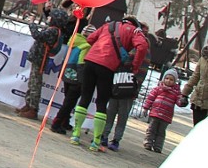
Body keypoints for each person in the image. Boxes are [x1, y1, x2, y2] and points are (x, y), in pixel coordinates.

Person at [70, 15, 149, 152]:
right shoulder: (134, 31)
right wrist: (135, 66)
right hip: (108, 67)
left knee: (85, 98)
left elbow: (90, 39)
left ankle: (76, 135)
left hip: (90, 62)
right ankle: (95, 142)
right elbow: (142, 47)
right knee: (101, 102)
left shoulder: (109, 25)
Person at [101, 22, 151, 151]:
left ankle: (110, 137)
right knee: (117, 114)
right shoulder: (144, 48)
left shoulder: (137, 47)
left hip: (121, 85)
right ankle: (111, 138)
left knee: (114, 113)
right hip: (128, 87)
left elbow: (135, 68)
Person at [16, 8, 68, 120]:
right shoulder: (54, 30)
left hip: (40, 59)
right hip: (38, 58)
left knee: (35, 84)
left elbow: (37, 36)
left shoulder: (53, 31)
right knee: (32, 83)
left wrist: (32, 24)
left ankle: (33, 109)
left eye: (51, 17)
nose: (49, 18)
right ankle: (28, 104)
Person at [50, 18, 94, 134]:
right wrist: (82, 80)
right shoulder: (86, 46)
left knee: (67, 99)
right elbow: (81, 63)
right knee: (70, 101)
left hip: (66, 72)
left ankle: (65, 121)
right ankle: (57, 122)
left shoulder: (73, 40)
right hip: (76, 76)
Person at [142, 68, 185, 153]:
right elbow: (150, 99)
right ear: (163, 79)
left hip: (166, 116)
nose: (169, 81)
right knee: (151, 129)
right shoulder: (158, 89)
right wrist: (146, 108)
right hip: (155, 113)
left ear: (175, 81)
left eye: (171, 80)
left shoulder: (176, 92)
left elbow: (179, 102)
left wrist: (182, 101)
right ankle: (148, 143)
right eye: (167, 78)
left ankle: (158, 146)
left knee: (161, 132)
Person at [180, 45, 208, 126]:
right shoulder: (204, 56)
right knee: (197, 129)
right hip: (199, 100)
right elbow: (195, 76)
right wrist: (185, 94)